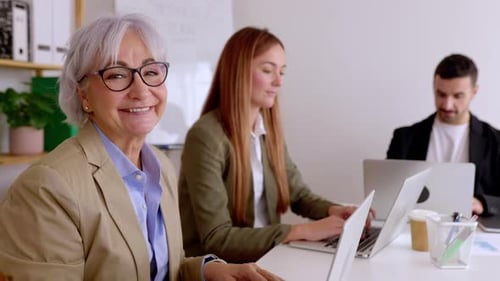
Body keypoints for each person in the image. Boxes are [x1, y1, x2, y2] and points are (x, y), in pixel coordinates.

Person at [0, 14, 283, 281]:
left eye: (150, 71)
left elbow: (158, 269)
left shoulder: (160, 166)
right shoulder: (47, 188)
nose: (142, 90)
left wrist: (209, 271)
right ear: (83, 94)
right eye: (117, 74)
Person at [178, 26, 367, 263]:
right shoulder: (205, 137)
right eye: (268, 70)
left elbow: (298, 194)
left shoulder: (266, 130)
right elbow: (217, 238)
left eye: (282, 72)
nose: (278, 82)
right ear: (238, 72)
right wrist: (300, 232)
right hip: (224, 269)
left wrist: (334, 210)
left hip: (267, 258)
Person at [386, 53, 500, 216]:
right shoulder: (404, 138)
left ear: (474, 92)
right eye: (441, 94)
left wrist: (483, 202)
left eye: (457, 96)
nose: (447, 104)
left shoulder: (496, 142)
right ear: (434, 87)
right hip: (414, 228)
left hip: (474, 232)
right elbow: (388, 192)